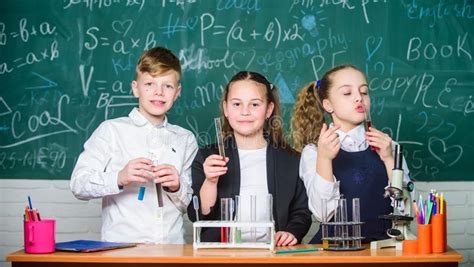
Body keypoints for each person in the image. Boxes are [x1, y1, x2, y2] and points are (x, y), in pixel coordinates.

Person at [70, 47, 198, 244]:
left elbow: (190, 204)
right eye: (149, 84)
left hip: (171, 251)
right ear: (135, 87)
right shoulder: (111, 130)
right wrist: (119, 177)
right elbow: (78, 185)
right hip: (121, 250)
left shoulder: (185, 139)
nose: (159, 92)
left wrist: (177, 186)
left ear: (177, 92)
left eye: (168, 86)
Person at [188, 71, 311, 246]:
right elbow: (198, 215)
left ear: (269, 109)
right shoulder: (207, 156)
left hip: (272, 254)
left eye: (254, 104)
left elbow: (301, 212)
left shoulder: (291, 160)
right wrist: (210, 181)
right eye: (236, 104)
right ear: (225, 109)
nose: (245, 112)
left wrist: (292, 232)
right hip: (221, 255)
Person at [291, 64, 411, 243]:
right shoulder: (314, 151)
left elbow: (408, 210)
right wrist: (324, 158)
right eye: (347, 93)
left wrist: (388, 159)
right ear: (328, 105)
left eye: (364, 92)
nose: (359, 98)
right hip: (334, 251)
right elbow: (322, 214)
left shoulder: (388, 146)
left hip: (384, 250)